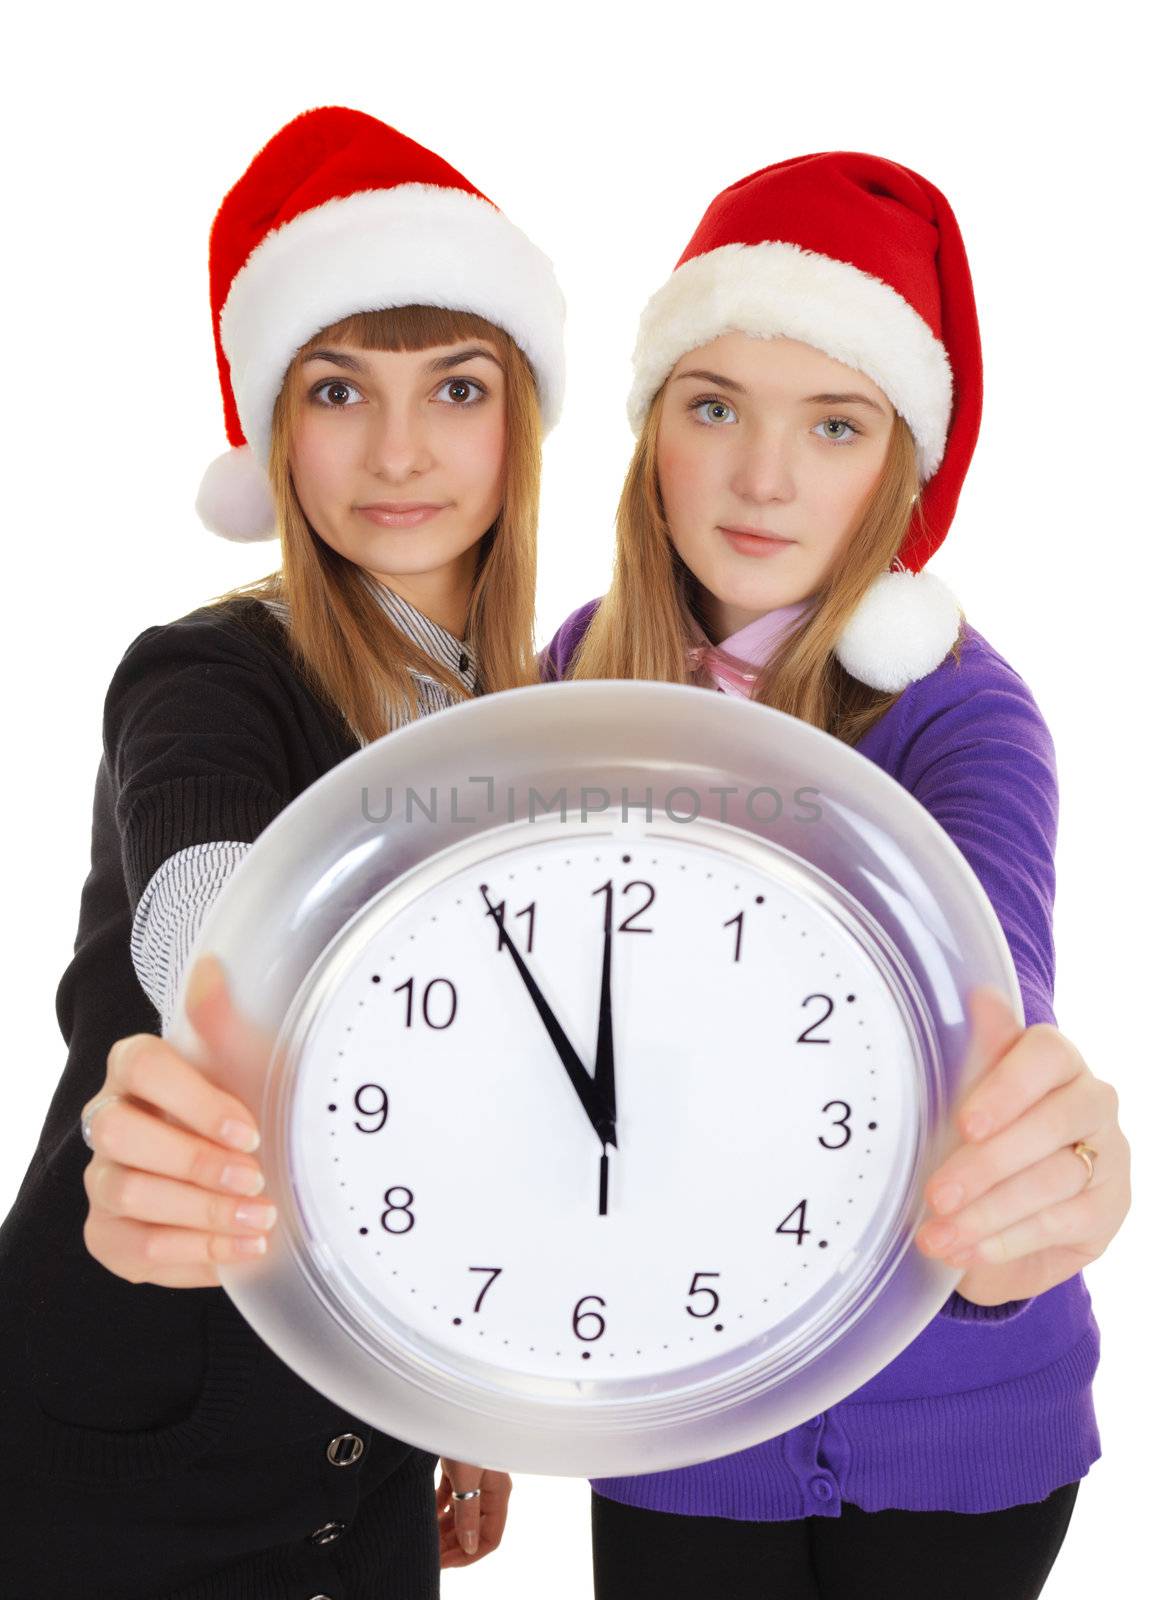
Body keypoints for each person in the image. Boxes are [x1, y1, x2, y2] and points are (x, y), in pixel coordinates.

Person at [540, 151, 1131, 1600]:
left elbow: (983, 1006)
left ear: (900, 467)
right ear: (654, 431)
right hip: (682, 1407)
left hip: (952, 1425)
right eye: (716, 406)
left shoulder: (961, 713)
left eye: (836, 425)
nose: (762, 477)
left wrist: (1029, 1153)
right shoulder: (572, 672)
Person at [0, 105, 565, 1599]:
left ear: (518, 418)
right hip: (122, 1448)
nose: (398, 451)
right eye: (337, 389)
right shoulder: (209, 674)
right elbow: (209, 927)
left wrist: (464, 1381)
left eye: (454, 388)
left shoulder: (519, 716)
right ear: (275, 428)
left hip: (361, 1453)